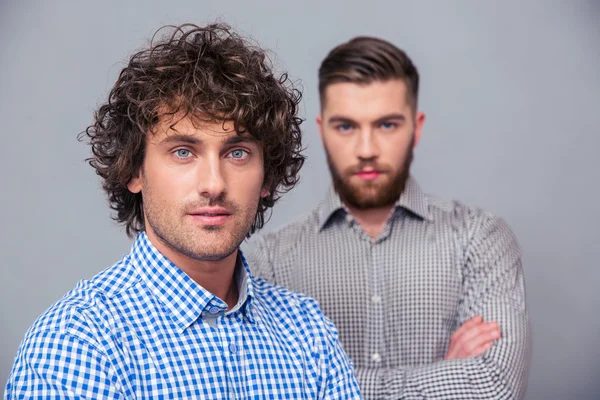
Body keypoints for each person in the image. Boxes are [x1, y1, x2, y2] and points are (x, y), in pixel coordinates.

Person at [4, 23, 361, 399]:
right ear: (135, 170)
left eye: (237, 153)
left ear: (266, 176)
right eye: (183, 152)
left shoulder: (308, 332)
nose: (213, 184)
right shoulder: (79, 345)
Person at [245, 36, 530, 399]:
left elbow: (495, 388)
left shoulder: (480, 238)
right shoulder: (267, 259)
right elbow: (269, 389)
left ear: (417, 127)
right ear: (322, 130)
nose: (366, 150)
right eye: (346, 126)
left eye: (387, 125)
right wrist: (444, 377)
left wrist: (323, 381)